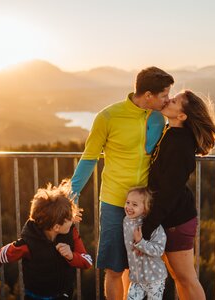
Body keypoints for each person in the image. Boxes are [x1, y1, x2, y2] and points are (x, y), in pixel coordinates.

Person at [70, 67, 174, 300]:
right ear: (148, 95)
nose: (168, 100)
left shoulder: (159, 117)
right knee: (115, 268)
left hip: (146, 206)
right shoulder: (108, 116)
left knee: (139, 267)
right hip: (114, 202)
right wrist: (73, 192)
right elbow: (89, 157)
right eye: (164, 95)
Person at [141, 90, 215, 300]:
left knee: (186, 278)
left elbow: (170, 191)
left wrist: (148, 226)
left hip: (177, 220)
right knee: (179, 278)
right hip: (169, 218)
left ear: (182, 116)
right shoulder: (172, 133)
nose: (169, 100)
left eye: (174, 101)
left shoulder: (181, 144)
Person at [0, 180, 93, 300]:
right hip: (35, 297)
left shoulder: (71, 233)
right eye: (70, 217)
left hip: (63, 295)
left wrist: (71, 256)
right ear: (56, 227)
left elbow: (87, 262)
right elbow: (7, 252)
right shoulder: (29, 243)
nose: (73, 219)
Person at [123, 187, 167, 300]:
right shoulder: (126, 221)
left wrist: (141, 242)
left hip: (154, 277)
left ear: (145, 208)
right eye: (127, 202)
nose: (129, 207)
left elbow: (159, 250)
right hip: (137, 278)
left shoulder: (154, 227)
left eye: (134, 204)